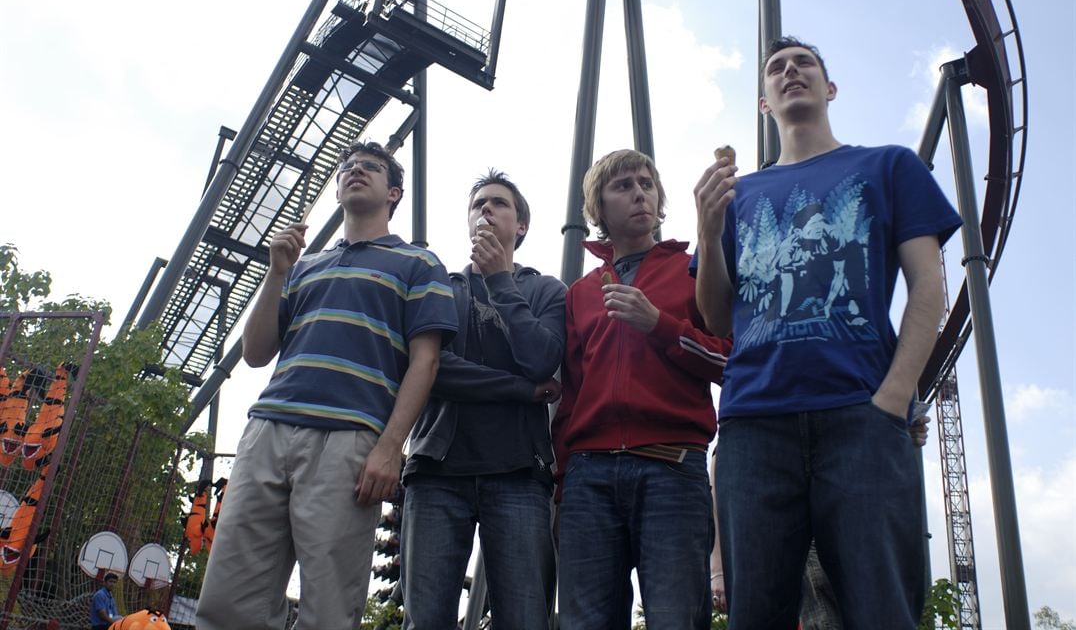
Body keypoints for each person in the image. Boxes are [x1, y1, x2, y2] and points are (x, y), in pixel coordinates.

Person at [693, 37, 962, 629]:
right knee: (756, 615)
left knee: (881, 609)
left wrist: (894, 397)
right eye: (776, 69)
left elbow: (927, 286)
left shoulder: (889, 166)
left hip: (860, 416)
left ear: (829, 87)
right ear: (764, 101)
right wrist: (709, 232)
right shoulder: (739, 196)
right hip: (754, 423)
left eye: (804, 64)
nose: (790, 72)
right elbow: (716, 318)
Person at [195, 140, 457, 630]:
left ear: (394, 191)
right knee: (231, 596)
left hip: (350, 439)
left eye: (371, 168)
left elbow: (426, 363)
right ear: (337, 188)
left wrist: (390, 447)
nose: (356, 171)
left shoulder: (419, 265)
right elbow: (255, 353)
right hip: (268, 429)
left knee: (330, 605)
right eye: (348, 168)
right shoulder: (304, 266)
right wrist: (276, 272)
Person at [551, 149, 733, 630]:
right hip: (588, 478)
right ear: (599, 209)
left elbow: (730, 359)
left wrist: (658, 325)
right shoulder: (580, 294)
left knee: (676, 619)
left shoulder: (695, 269)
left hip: (672, 466)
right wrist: (562, 483)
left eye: (646, 183)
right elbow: (570, 396)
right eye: (623, 186)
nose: (639, 193)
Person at [401, 170, 564, 629]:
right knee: (425, 621)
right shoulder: (440, 287)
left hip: (519, 475)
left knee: (525, 619)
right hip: (436, 472)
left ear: (521, 226)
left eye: (498, 204)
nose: (486, 210)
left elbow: (540, 360)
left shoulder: (546, 290)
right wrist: (520, 390)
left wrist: (501, 283)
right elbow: (434, 372)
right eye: (478, 205)